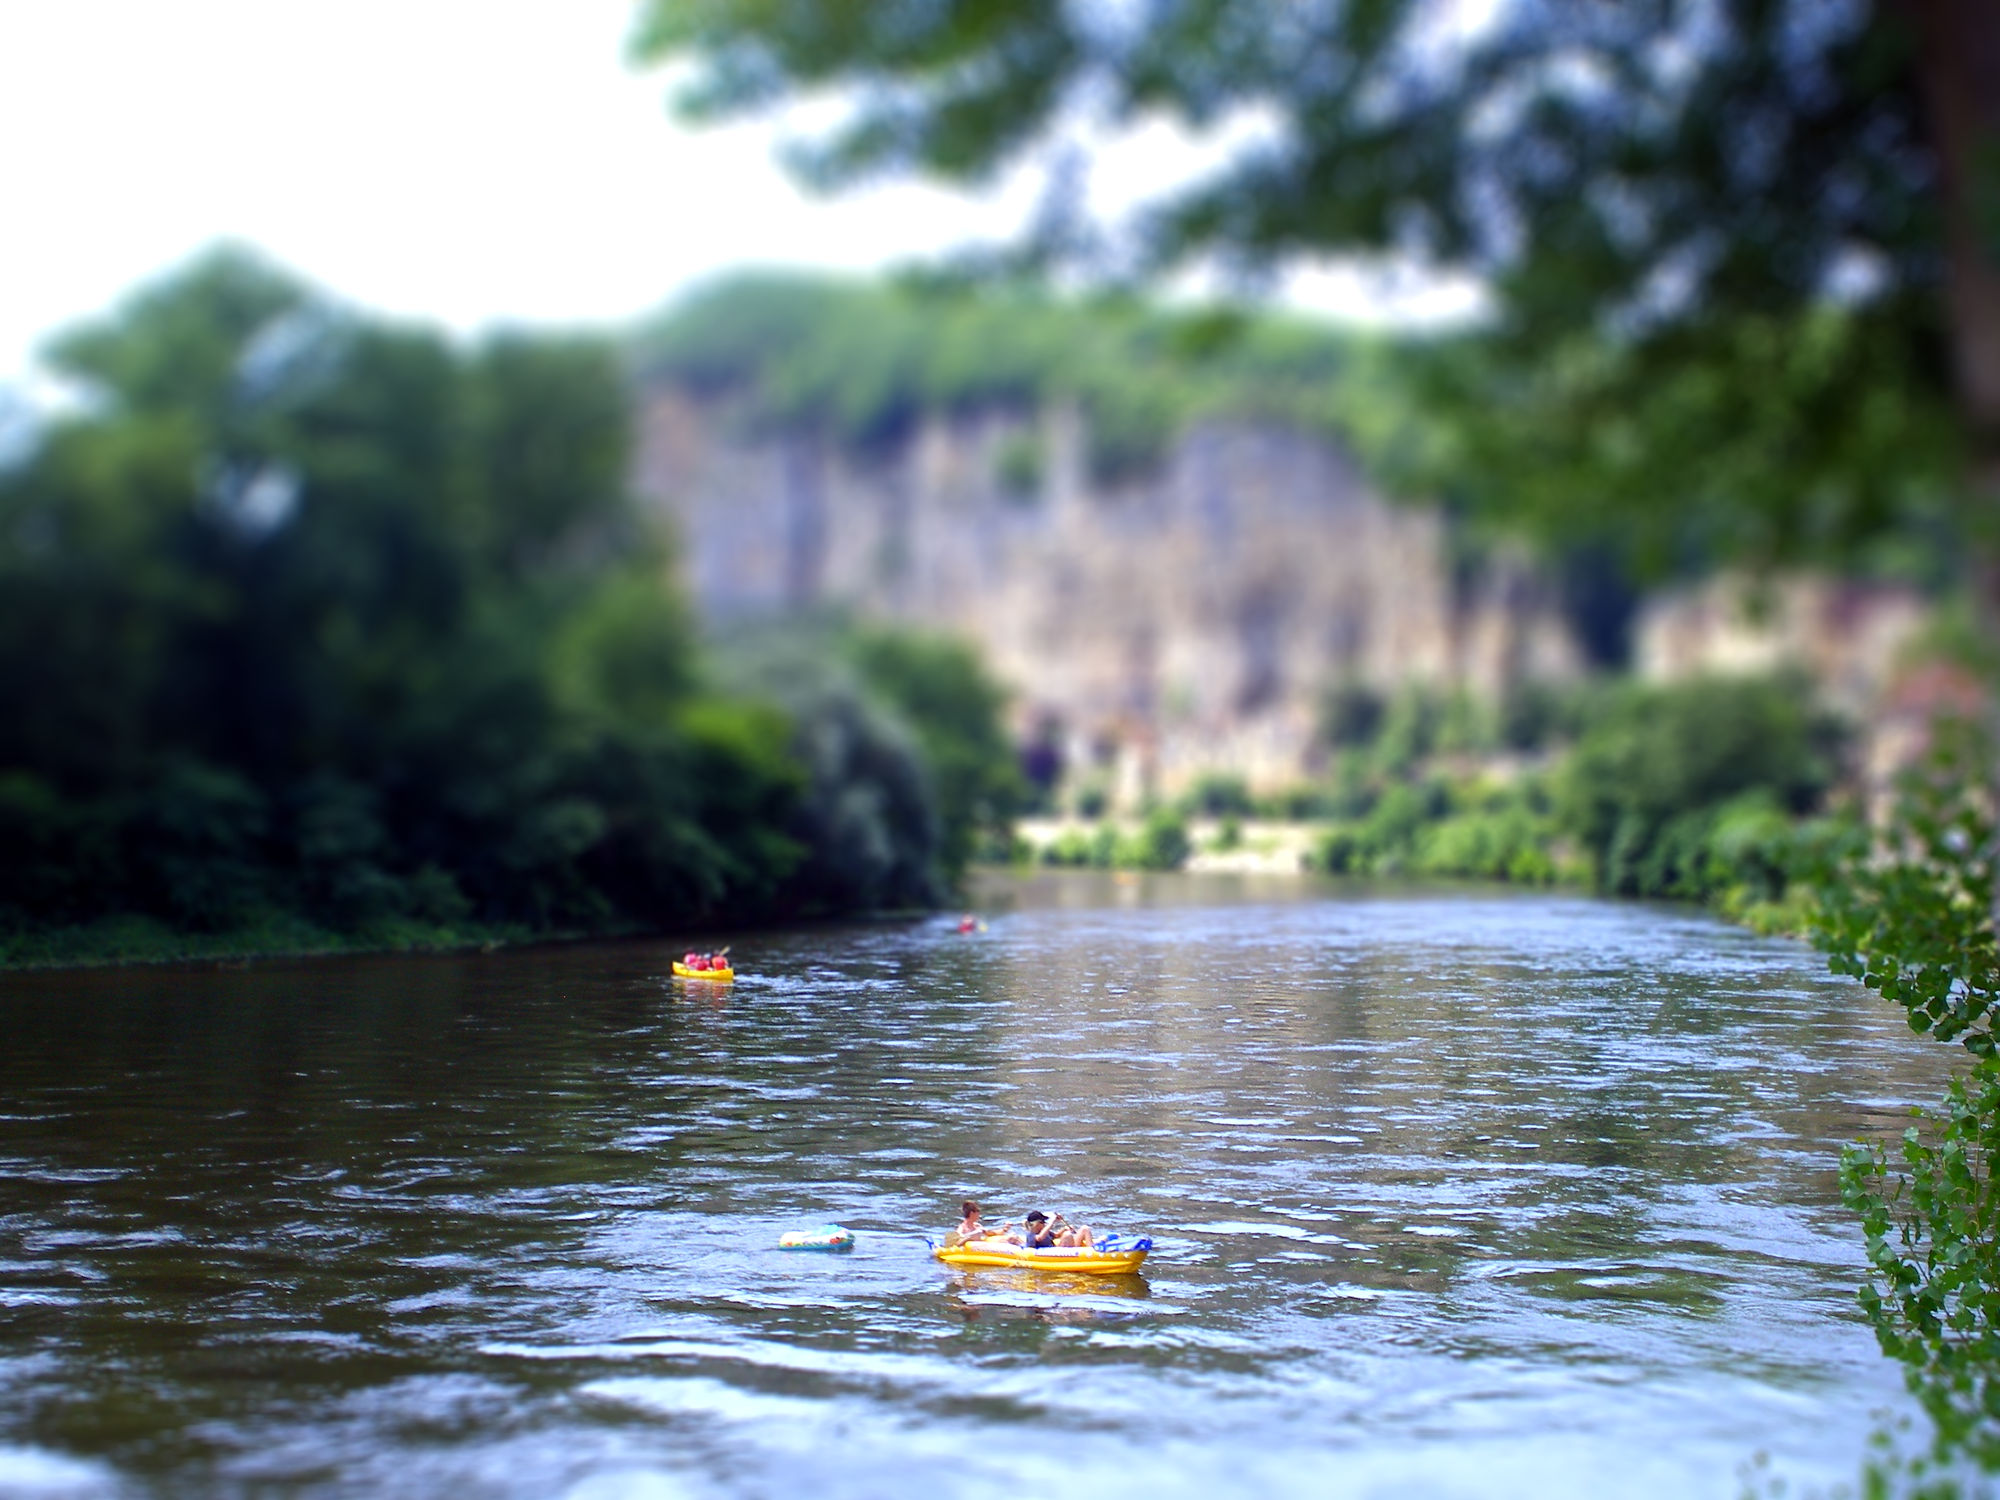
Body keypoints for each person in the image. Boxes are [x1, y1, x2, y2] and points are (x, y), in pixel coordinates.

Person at [946, 1199, 1022, 1248]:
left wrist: (1006, 1228)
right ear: (972, 1213)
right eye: (978, 1212)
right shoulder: (962, 1228)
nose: (979, 1215)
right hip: (975, 1249)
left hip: (983, 1246)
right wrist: (968, 1237)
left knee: (1013, 1237)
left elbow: (993, 1233)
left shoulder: (977, 1226)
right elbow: (956, 1245)